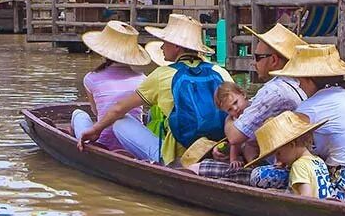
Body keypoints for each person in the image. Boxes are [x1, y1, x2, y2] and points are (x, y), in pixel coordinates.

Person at [78, 13, 231, 163]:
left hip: (175, 158)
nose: (162, 46)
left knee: (121, 120)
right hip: (216, 148)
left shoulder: (162, 74)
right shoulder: (219, 72)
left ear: (177, 46)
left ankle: (161, 162)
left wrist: (95, 130)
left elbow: (118, 109)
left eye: (165, 42)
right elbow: (238, 111)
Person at [270, 44, 345, 193]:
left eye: (299, 81)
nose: (299, 86)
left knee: (262, 175)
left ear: (308, 80)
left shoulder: (310, 107)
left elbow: (303, 153)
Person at [225, 23, 309, 166]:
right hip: (291, 157)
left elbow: (234, 136)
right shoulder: (296, 83)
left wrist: (229, 117)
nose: (253, 63)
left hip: (282, 165)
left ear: (274, 60)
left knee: (201, 167)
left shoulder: (274, 91)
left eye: (257, 57)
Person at [69, 21, 152, 154]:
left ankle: (77, 143)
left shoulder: (91, 78)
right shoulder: (143, 79)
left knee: (78, 114)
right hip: (132, 144)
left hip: (103, 142)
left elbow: (96, 112)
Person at [247, 111, 343, 201]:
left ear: (292, 145)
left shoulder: (299, 166)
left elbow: (306, 197)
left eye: (278, 153)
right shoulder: (318, 161)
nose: (277, 158)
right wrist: (279, 192)